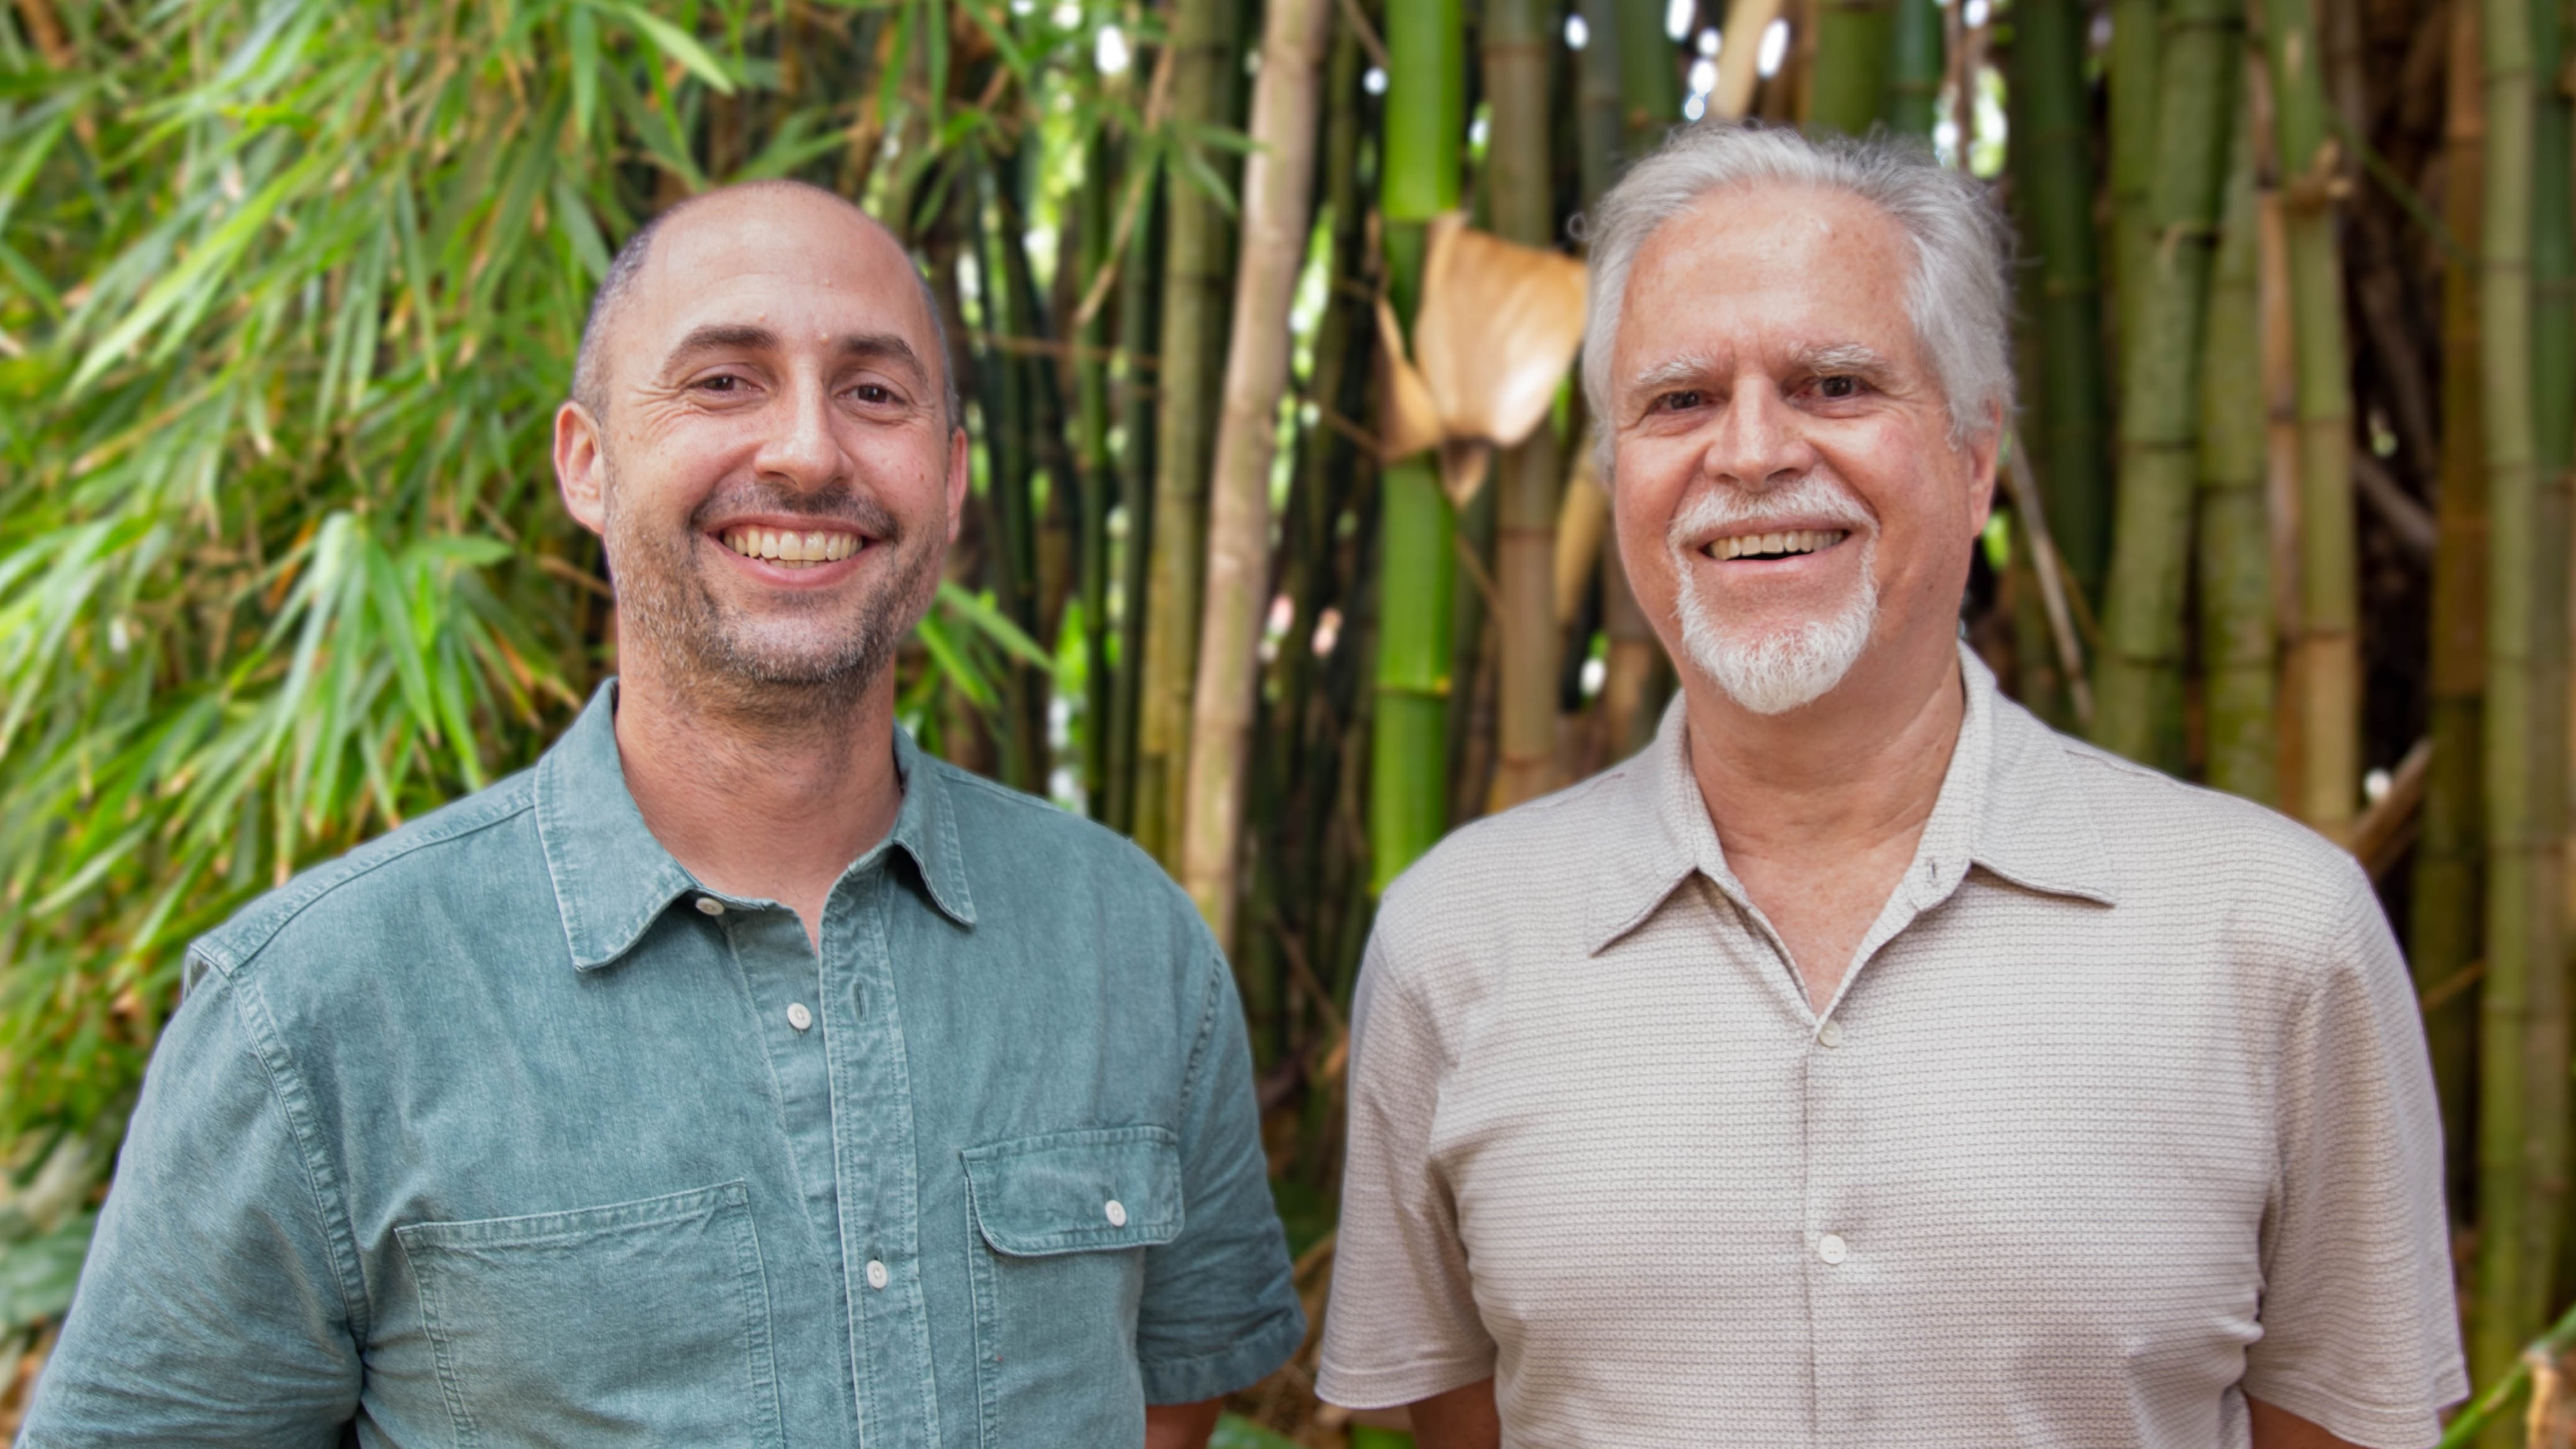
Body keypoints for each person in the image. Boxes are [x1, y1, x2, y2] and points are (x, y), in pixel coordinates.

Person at [22, 179, 1302, 1448]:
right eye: (723, 382)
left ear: (953, 481)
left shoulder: (1125, 938)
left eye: (873, 391)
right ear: (588, 463)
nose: (807, 449)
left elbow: (1164, 1396)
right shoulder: (315, 1010)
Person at [1316, 122, 2462, 1449]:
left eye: (1836, 384)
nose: (1750, 453)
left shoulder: (2275, 936)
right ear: (1613, 470)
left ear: (1978, 457)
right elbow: (1467, 1424)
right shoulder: (1454, 941)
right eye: (1679, 400)